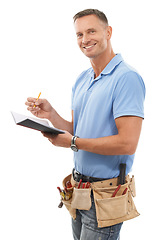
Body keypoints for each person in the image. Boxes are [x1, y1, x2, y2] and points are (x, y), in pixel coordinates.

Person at [25, 9, 145, 240]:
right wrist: (52, 115)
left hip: (105, 195)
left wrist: (71, 143)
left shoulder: (126, 78)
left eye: (91, 31)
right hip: (78, 190)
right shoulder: (82, 79)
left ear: (108, 32)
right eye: (79, 34)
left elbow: (128, 143)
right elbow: (79, 130)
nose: (85, 39)